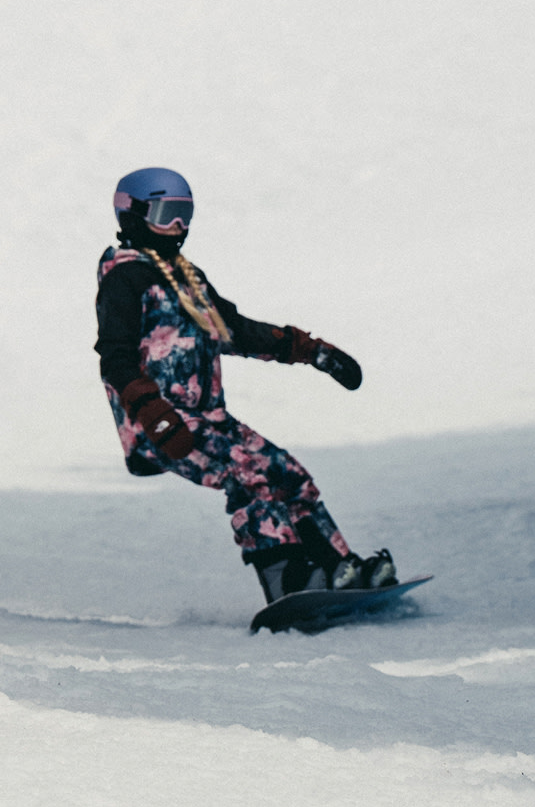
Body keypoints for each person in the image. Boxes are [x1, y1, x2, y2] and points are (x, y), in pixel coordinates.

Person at [95, 167, 397, 604]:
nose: (178, 226)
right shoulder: (125, 278)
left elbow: (232, 330)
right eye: (166, 214)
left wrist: (311, 351)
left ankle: (338, 568)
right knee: (249, 475)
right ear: (134, 214)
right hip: (160, 423)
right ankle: (288, 581)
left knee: (287, 473)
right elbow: (115, 357)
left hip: (209, 419)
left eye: (185, 214)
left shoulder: (186, 276)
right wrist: (153, 415)